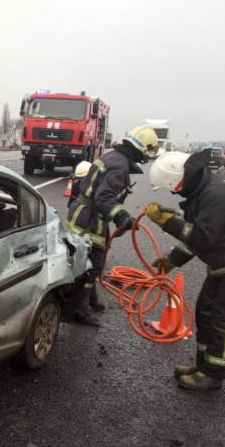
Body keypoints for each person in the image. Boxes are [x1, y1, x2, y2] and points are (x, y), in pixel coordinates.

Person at [145, 149, 225, 391]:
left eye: (171, 188)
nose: (173, 192)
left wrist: (167, 222)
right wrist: (173, 259)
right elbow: (196, 232)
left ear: (177, 181)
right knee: (206, 310)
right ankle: (204, 365)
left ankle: (214, 375)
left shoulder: (216, 194)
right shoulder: (201, 192)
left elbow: (203, 238)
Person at [66, 125, 159, 327]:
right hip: (89, 218)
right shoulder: (119, 166)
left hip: (86, 214)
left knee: (93, 260)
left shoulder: (114, 157)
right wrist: (122, 216)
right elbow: (104, 196)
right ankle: (79, 310)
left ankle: (90, 300)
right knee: (91, 265)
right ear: (144, 149)